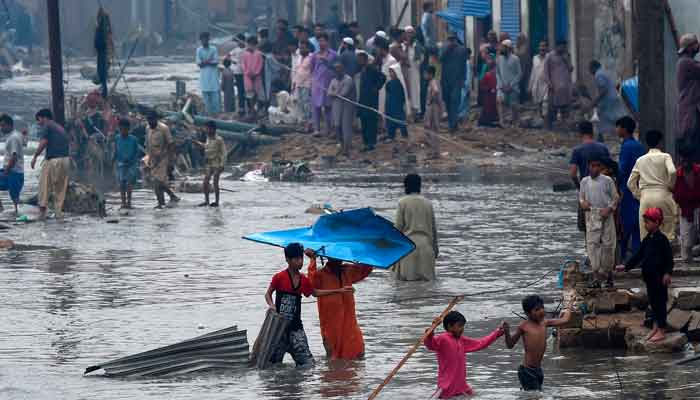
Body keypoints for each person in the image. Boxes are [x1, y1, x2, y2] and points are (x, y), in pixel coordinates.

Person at [265, 243, 351, 367]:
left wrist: (339, 290)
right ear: (288, 260)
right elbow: (268, 294)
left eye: (301, 258)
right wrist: (272, 306)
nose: (300, 262)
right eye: (296, 259)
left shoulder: (303, 280)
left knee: (308, 365)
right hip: (279, 329)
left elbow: (315, 293)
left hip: (296, 329)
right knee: (271, 366)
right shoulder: (279, 277)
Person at [616, 208, 673, 343]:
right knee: (653, 303)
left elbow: (669, 259)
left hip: (660, 278)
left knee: (660, 304)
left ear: (657, 222)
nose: (645, 225)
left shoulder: (662, 239)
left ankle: (662, 330)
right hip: (650, 277)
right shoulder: (647, 239)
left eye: (648, 222)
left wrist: (667, 273)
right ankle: (655, 327)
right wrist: (626, 266)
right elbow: (638, 255)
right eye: (645, 222)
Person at [306, 250, 372, 360]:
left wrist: (362, 253)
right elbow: (311, 287)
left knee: (358, 355)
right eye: (334, 257)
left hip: (350, 327)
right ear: (328, 257)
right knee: (334, 359)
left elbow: (365, 270)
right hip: (331, 328)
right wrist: (312, 260)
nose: (338, 260)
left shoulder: (347, 270)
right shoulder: (320, 274)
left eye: (340, 256)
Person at [424, 311, 505, 398]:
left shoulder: (461, 340)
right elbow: (430, 344)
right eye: (459, 326)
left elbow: (481, 343)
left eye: (463, 326)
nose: (462, 328)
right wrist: (431, 332)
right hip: (447, 387)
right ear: (449, 326)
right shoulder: (443, 338)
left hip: (462, 387)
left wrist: (498, 332)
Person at [503, 295, 572, 391]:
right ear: (527, 313)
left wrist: (568, 308)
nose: (541, 311)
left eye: (542, 308)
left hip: (538, 370)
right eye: (537, 309)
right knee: (535, 395)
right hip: (527, 371)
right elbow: (510, 345)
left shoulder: (545, 323)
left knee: (533, 394)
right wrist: (506, 332)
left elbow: (565, 320)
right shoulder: (523, 326)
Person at [627, 130, 677, 240]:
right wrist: (670, 186)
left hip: (646, 198)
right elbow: (673, 172)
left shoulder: (640, 160)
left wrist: (639, 196)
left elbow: (630, 183)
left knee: (645, 235)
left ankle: (649, 257)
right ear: (660, 142)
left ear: (647, 143)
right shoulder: (665, 156)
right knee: (667, 233)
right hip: (664, 196)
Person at [580, 156, 620, 287]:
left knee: (608, 245)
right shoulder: (584, 182)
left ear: (601, 167)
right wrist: (583, 204)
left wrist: (609, 209)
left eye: (598, 166)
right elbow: (581, 198)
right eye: (592, 166)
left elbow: (615, 198)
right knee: (592, 246)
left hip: (606, 216)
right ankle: (596, 276)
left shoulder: (607, 180)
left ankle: (609, 275)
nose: (595, 168)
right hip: (592, 216)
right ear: (588, 167)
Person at [394, 174, 438, 281]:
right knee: (427, 287)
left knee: (407, 287)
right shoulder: (428, 203)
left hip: (408, 250)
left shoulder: (402, 202)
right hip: (426, 249)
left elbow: (397, 229)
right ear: (419, 186)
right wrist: (435, 250)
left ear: (406, 186)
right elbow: (433, 229)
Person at [570, 121, 611, 232]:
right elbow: (610, 170)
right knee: (604, 229)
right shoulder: (603, 148)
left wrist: (580, 189)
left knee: (588, 231)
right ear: (592, 132)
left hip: (587, 196)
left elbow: (573, 174)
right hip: (603, 194)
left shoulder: (577, 150)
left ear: (580, 133)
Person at [31, 109, 70, 220]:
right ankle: (58, 214)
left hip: (53, 161)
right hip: (65, 160)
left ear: (44, 117)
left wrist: (35, 157)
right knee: (60, 189)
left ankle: (42, 214)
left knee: (44, 186)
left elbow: (44, 142)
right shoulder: (60, 127)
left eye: (38, 120)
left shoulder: (47, 126)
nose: (38, 123)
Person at [617, 116, 646, 260]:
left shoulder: (626, 146)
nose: (617, 130)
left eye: (618, 127)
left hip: (627, 191)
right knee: (638, 226)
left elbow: (621, 170)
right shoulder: (639, 146)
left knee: (624, 226)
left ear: (624, 129)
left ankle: (622, 258)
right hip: (640, 189)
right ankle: (637, 257)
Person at [145, 111, 179, 209]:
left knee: (157, 182)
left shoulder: (164, 128)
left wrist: (171, 161)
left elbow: (171, 144)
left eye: (151, 120)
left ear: (156, 119)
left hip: (163, 158)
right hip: (153, 158)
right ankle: (172, 196)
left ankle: (161, 203)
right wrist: (147, 158)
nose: (150, 122)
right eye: (148, 120)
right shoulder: (147, 128)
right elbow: (148, 144)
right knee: (157, 182)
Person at [588, 60, 628, 142]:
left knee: (602, 118)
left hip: (607, 100)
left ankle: (601, 137)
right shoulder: (604, 72)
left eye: (589, 69)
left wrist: (595, 101)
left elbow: (603, 89)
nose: (589, 72)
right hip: (613, 98)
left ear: (593, 68)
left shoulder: (598, 75)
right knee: (613, 117)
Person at [673, 145, 700, 262]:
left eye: (687, 160)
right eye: (683, 160)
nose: (685, 162)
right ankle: (687, 260)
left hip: (699, 206)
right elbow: (674, 192)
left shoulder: (698, 171)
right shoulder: (677, 174)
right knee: (686, 241)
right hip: (685, 209)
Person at [676, 33, 700, 161]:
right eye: (696, 44)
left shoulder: (686, 62)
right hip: (689, 114)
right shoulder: (686, 63)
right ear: (691, 47)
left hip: (690, 112)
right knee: (692, 152)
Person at [357, 50, 386, 152]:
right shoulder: (363, 70)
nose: (359, 61)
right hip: (363, 100)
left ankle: (371, 143)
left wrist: (376, 88)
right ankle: (365, 143)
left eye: (360, 59)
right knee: (364, 121)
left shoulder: (371, 68)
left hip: (371, 100)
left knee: (371, 121)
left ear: (365, 59)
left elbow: (383, 77)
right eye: (358, 59)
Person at [311, 33, 338, 135]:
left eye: (323, 41)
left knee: (328, 107)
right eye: (319, 41)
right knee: (316, 107)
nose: (321, 43)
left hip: (329, 83)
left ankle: (329, 129)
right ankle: (316, 129)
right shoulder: (314, 55)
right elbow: (312, 69)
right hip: (317, 84)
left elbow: (337, 67)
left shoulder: (333, 54)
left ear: (327, 42)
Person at [194, 121, 226, 207]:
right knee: (205, 182)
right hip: (208, 163)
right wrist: (198, 143)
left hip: (217, 164)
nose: (206, 130)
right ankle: (207, 201)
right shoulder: (208, 138)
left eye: (207, 128)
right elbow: (206, 146)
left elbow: (223, 153)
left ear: (213, 129)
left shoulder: (219, 139)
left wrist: (222, 165)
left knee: (215, 182)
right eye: (206, 128)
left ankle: (216, 201)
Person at [441, 34, 468, 133]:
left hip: (457, 80)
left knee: (454, 101)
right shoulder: (444, 48)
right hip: (446, 80)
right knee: (447, 101)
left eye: (452, 40)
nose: (451, 42)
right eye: (449, 40)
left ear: (456, 40)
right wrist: (448, 49)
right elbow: (441, 58)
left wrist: (463, 79)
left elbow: (464, 65)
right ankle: (453, 123)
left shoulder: (462, 50)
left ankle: (452, 126)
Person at [328, 62, 356, 156]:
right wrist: (335, 94)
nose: (337, 71)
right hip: (336, 105)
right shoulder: (333, 80)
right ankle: (340, 144)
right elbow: (329, 92)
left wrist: (334, 93)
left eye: (339, 69)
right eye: (336, 70)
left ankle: (346, 148)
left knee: (346, 126)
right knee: (337, 125)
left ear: (343, 70)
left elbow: (344, 93)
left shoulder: (348, 79)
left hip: (347, 105)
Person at [543, 41, 573, 129]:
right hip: (554, 88)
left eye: (565, 47)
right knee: (552, 109)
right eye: (562, 47)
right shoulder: (550, 56)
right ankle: (550, 128)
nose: (563, 49)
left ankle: (564, 127)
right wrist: (549, 83)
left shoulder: (567, 55)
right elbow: (545, 72)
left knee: (565, 109)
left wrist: (566, 59)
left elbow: (571, 69)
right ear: (557, 46)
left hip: (565, 88)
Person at [0, 114, 24, 214]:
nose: (1, 128)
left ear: (10, 125)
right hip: (12, 171)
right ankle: (3, 210)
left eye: (3, 125)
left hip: (13, 172)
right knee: (15, 196)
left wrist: (6, 171)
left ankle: (18, 213)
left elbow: (14, 157)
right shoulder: (15, 135)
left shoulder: (13, 137)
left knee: (15, 198)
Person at [113, 118, 139, 210]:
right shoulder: (117, 138)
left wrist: (132, 161)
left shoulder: (134, 139)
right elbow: (116, 151)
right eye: (121, 129)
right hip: (121, 164)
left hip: (131, 164)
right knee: (121, 183)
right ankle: (123, 202)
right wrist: (113, 160)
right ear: (119, 128)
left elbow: (137, 152)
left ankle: (129, 202)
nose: (123, 131)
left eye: (125, 129)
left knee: (129, 183)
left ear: (129, 129)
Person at [496, 39, 522, 127]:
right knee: (500, 103)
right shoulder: (499, 58)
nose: (501, 49)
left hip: (512, 87)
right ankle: (502, 122)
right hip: (502, 86)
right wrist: (501, 85)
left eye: (503, 47)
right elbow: (497, 72)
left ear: (508, 48)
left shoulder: (515, 59)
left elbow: (519, 74)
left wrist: (511, 85)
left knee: (514, 105)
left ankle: (516, 122)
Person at [196, 32, 220, 115]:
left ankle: (216, 115)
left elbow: (216, 62)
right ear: (201, 40)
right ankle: (208, 114)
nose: (204, 41)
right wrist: (209, 61)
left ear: (208, 39)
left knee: (215, 99)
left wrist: (205, 62)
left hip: (213, 78)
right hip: (204, 78)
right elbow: (199, 64)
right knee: (206, 100)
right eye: (203, 39)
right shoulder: (199, 50)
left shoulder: (214, 49)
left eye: (206, 39)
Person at [292, 40, 314, 132]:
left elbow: (313, 71)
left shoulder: (312, 57)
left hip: (307, 84)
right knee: (300, 104)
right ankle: (304, 124)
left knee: (307, 104)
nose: (301, 50)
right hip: (298, 84)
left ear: (308, 48)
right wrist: (294, 83)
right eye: (300, 48)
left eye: (303, 48)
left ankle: (310, 125)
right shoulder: (299, 57)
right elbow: (296, 70)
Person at [241, 36, 265, 119]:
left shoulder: (258, 54)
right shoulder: (244, 54)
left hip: (256, 77)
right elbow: (243, 65)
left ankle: (257, 110)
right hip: (247, 77)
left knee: (257, 94)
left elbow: (260, 65)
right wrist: (247, 72)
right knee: (249, 94)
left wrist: (256, 73)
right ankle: (251, 111)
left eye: (252, 44)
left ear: (255, 45)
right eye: (249, 44)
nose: (250, 46)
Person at [385, 64, 408, 140]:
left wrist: (402, 104)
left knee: (401, 120)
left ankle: (404, 134)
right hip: (391, 105)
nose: (391, 74)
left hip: (398, 106)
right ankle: (391, 135)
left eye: (392, 72)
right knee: (390, 121)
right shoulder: (389, 83)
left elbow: (402, 95)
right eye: (390, 72)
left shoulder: (399, 83)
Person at [424, 65, 444, 158]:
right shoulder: (434, 81)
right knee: (433, 129)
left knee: (432, 129)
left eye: (426, 73)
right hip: (435, 107)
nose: (424, 75)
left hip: (433, 108)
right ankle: (435, 151)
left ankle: (435, 152)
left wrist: (430, 99)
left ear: (430, 74)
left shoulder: (433, 82)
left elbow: (435, 91)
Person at [405, 26, 423, 117]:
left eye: (410, 33)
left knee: (415, 90)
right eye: (407, 33)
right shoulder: (405, 45)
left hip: (415, 71)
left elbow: (418, 60)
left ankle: (417, 111)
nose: (408, 35)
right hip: (407, 72)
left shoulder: (417, 45)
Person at [529, 41, 549, 118]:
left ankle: (545, 118)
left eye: (544, 46)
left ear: (547, 48)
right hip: (537, 84)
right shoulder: (535, 58)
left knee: (545, 102)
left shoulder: (549, 57)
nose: (542, 48)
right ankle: (541, 118)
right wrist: (530, 85)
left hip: (546, 83)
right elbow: (533, 72)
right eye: (541, 46)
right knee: (538, 103)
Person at [478, 56, 499, 127]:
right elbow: (482, 85)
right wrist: (488, 89)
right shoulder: (487, 75)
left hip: (493, 94)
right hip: (488, 95)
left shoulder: (495, 75)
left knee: (493, 107)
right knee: (487, 108)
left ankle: (493, 120)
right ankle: (486, 121)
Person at [229, 33, 247, 116]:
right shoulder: (235, 50)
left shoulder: (247, 49)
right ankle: (241, 108)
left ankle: (250, 107)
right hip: (238, 72)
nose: (239, 43)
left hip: (247, 72)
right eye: (237, 41)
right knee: (240, 90)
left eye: (239, 41)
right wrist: (233, 61)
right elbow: (227, 57)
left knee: (247, 90)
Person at [457, 48, 472, 124]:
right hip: (465, 85)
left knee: (463, 101)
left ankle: (462, 117)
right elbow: (468, 76)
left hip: (464, 84)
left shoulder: (463, 62)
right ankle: (461, 117)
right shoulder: (466, 62)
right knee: (463, 101)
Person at [516, 33, 531, 104]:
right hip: (517, 71)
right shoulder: (517, 48)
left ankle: (523, 101)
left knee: (522, 86)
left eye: (519, 38)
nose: (517, 40)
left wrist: (524, 72)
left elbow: (526, 62)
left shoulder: (525, 49)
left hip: (523, 70)